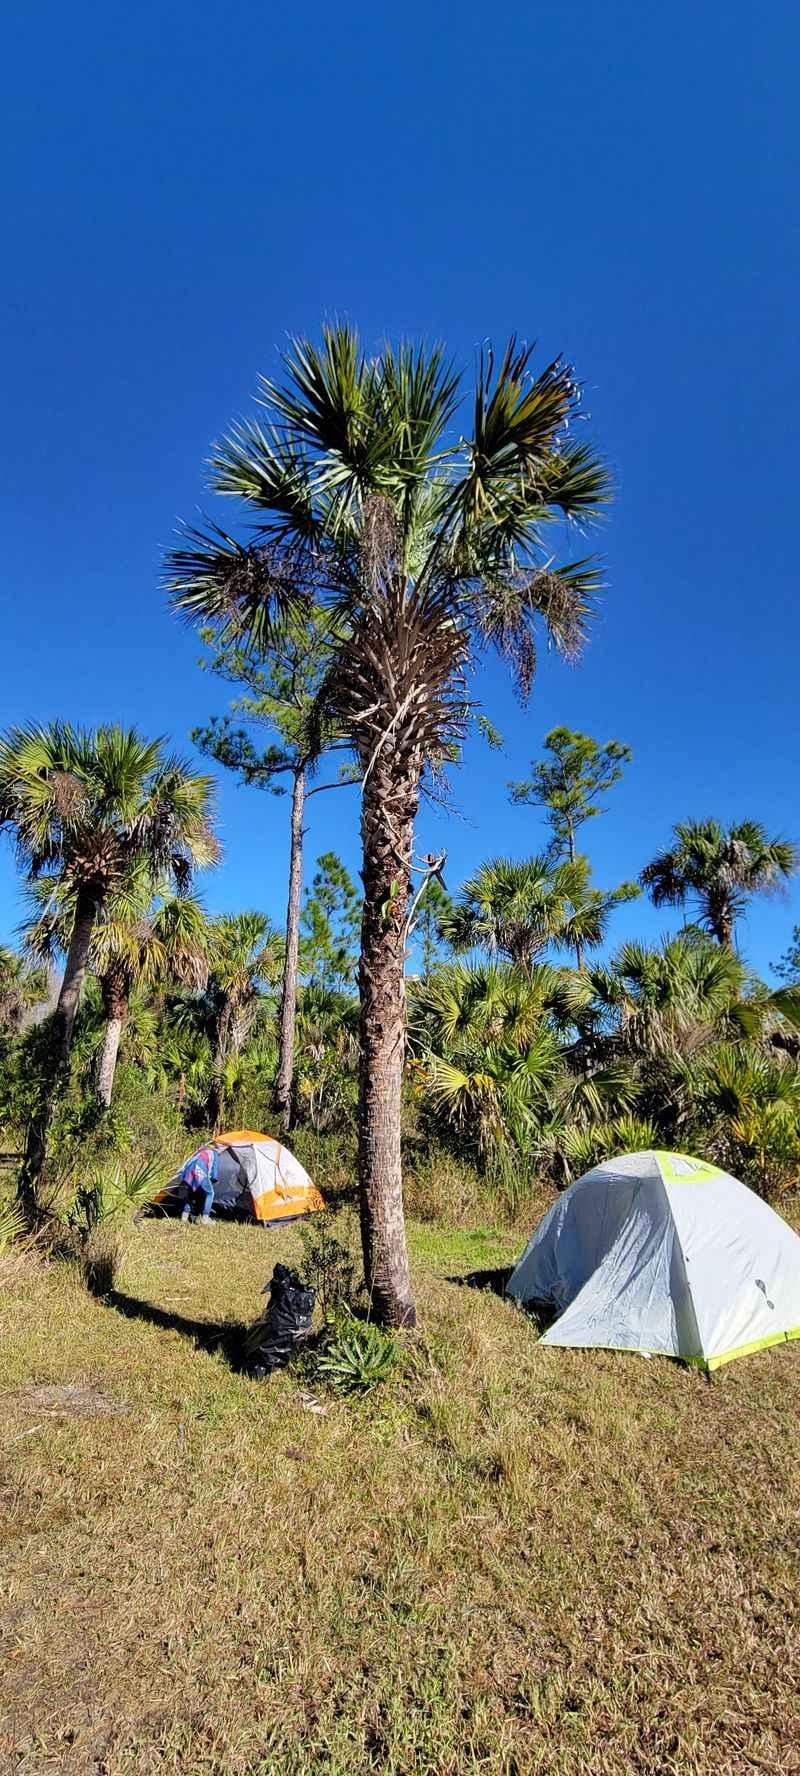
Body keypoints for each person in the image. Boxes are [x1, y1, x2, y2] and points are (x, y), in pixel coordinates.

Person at [180, 1144, 219, 1224]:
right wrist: (213, 1180)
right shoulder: (214, 1153)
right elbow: (214, 1171)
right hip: (199, 1171)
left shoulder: (199, 1151)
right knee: (210, 1193)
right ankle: (205, 1218)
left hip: (187, 1172)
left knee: (190, 1193)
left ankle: (184, 1216)